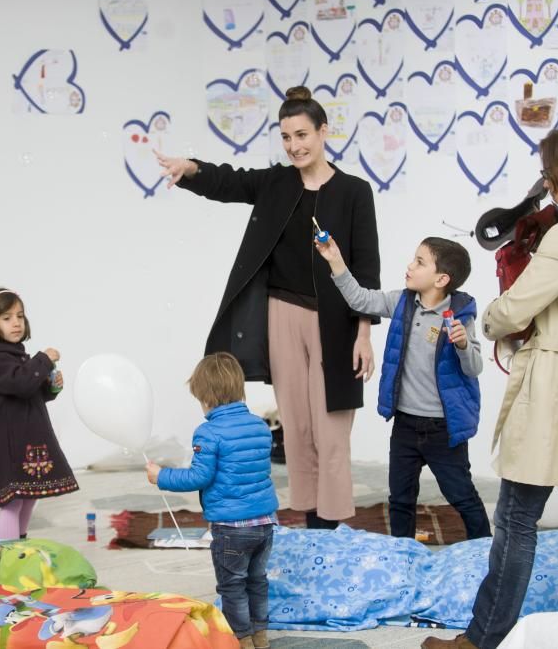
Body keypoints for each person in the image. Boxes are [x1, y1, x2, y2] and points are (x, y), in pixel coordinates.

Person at [422, 124, 558, 649]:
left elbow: (514, 310)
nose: (545, 183)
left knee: (517, 515)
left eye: (549, 173)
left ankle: (481, 639)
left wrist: (491, 317)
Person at [155, 86, 381, 529]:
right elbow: (231, 182)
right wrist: (191, 169)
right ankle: (313, 522)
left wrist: (364, 333)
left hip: (335, 322)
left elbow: (367, 266)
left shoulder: (355, 191)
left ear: (323, 132)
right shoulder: (277, 183)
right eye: (286, 137)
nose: (295, 146)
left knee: (330, 429)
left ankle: (332, 525)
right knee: (296, 428)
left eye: (302, 135)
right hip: (281, 315)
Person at [315, 235, 491, 540]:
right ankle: (402, 556)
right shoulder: (402, 303)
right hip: (406, 425)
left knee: (461, 495)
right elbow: (360, 299)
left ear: (441, 279)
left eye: (419, 262)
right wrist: (335, 260)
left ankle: (485, 552)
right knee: (400, 499)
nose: (410, 266)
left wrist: (463, 344)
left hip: (443, 430)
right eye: (413, 259)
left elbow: (474, 368)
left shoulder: (460, 315)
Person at [146, 352, 278, 649]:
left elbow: (198, 477)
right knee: (257, 581)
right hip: (265, 522)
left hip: (231, 527)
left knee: (232, 586)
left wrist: (161, 476)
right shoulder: (259, 426)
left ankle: (240, 638)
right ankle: (261, 635)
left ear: (207, 397)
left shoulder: (208, 432)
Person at [0, 288, 78, 540]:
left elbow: (29, 391)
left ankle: (21, 545)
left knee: (29, 497)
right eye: (6, 318)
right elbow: (21, 383)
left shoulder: (14, 355)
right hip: (7, 443)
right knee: (13, 501)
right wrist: (44, 359)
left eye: (20, 316)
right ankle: (9, 553)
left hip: (25, 437)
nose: (16, 323)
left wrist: (51, 386)